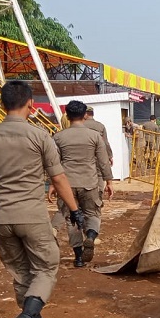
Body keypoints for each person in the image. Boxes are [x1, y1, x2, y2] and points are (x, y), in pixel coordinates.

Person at [0, 81, 84, 318]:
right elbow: (58, 177)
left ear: (1, 104)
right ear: (31, 104)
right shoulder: (39, 136)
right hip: (31, 215)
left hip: (1, 217)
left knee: (20, 271)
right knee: (46, 266)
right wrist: (75, 210)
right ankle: (26, 317)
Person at [50, 100, 114, 268]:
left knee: (72, 219)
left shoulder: (58, 137)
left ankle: (78, 257)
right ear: (85, 115)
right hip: (90, 182)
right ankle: (91, 237)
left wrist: (52, 185)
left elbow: (53, 163)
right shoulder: (94, 136)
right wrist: (109, 181)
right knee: (93, 214)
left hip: (66, 184)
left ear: (67, 115)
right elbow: (103, 161)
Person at [84, 106, 114, 200]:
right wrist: (110, 156)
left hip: (85, 157)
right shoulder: (100, 126)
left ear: (85, 114)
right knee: (100, 175)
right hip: (98, 156)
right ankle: (99, 197)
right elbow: (105, 143)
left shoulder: (81, 126)